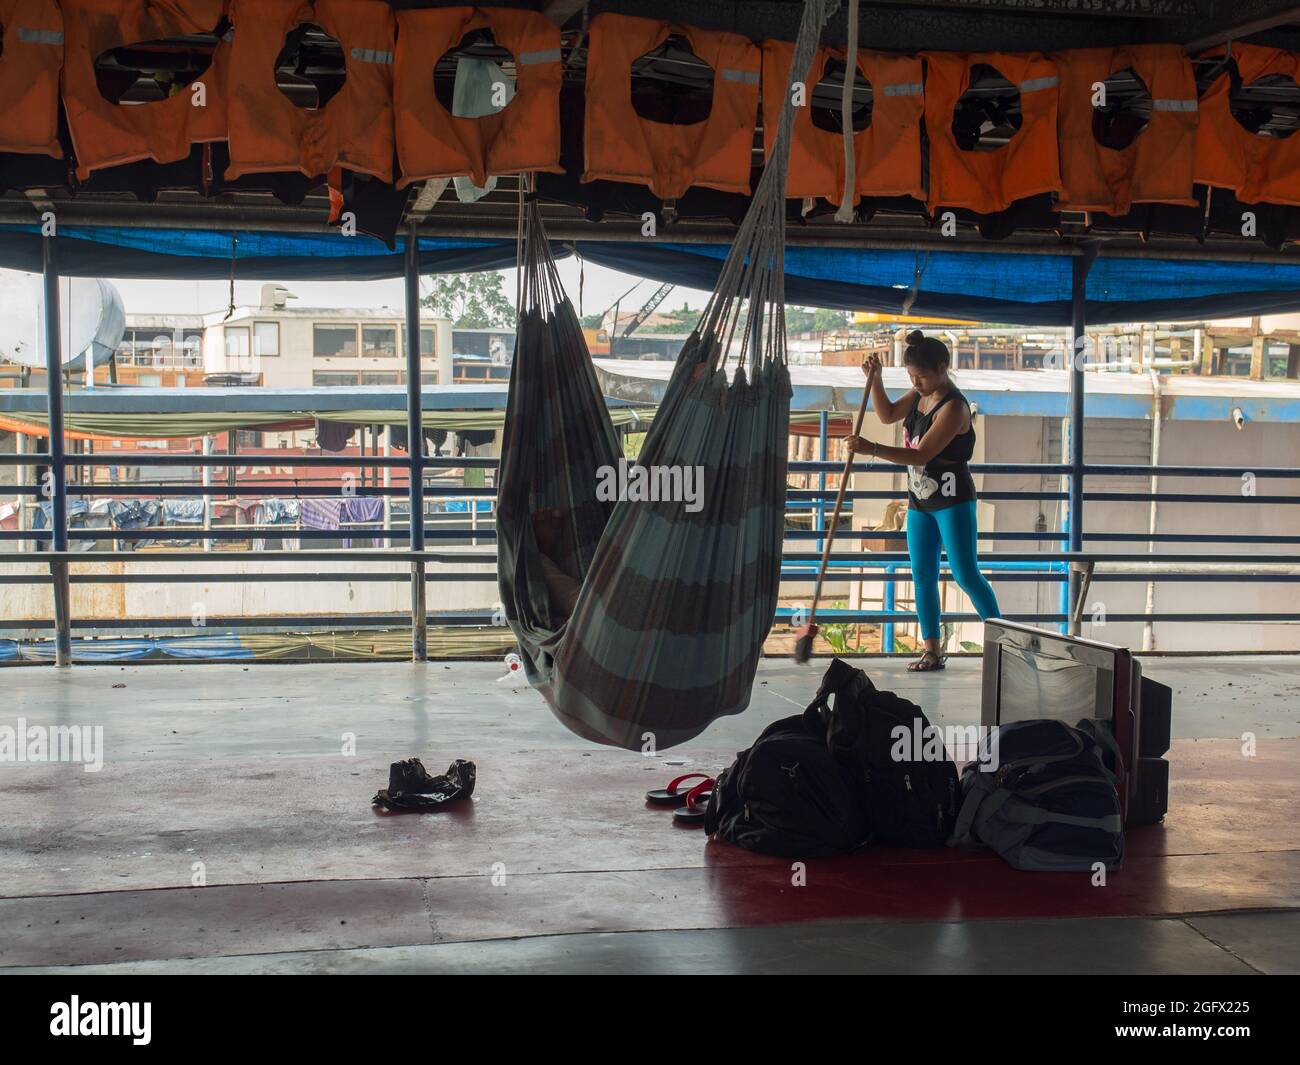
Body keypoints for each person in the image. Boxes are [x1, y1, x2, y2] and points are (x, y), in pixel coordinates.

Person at [845, 331, 1001, 671]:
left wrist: (871, 448)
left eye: (923, 377)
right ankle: (932, 650)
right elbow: (886, 414)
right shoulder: (919, 395)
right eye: (911, 377)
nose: (917, 383)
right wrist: (875, 380)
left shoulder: (954, 407)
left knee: (966, 575)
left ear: (943, 368)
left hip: (953, 501)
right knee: (922, 574)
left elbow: (921, 454)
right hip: (920, 502)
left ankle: (1004, 645)